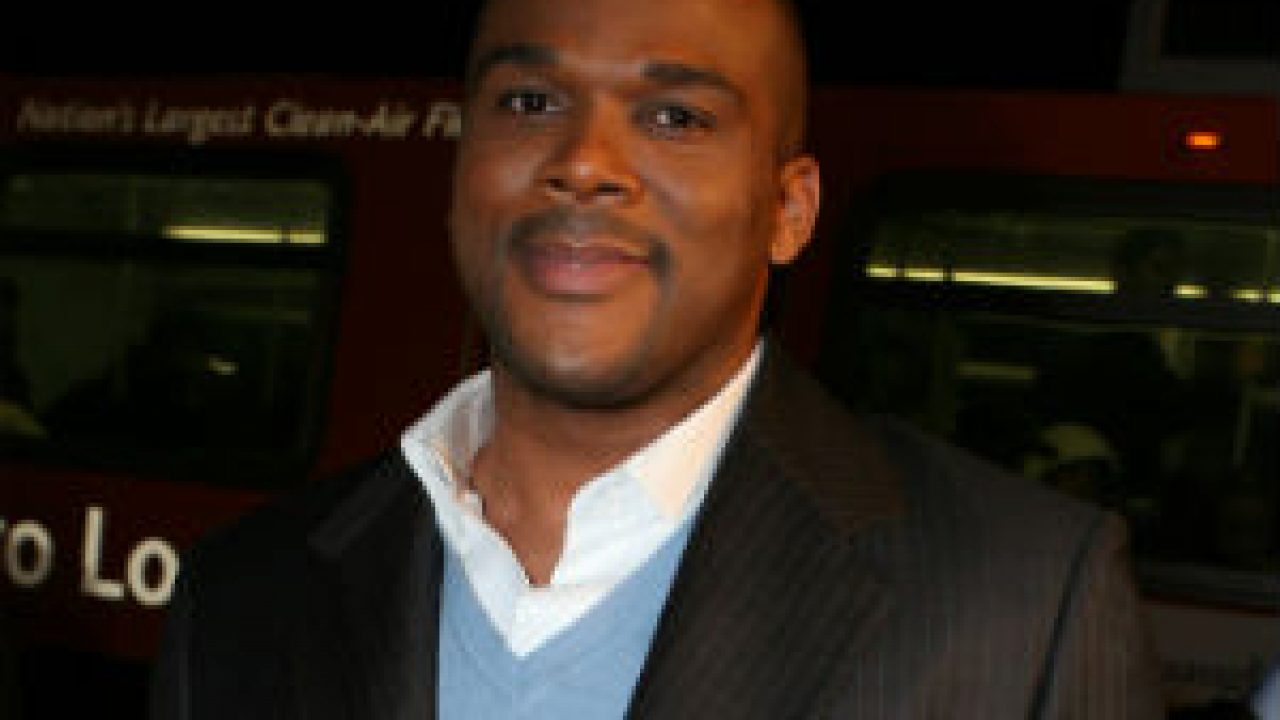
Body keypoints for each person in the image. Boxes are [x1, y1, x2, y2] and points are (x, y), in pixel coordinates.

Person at [150, 0, 1164, 717]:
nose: (584, 163)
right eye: (529, 102)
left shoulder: (1025, 602)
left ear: (790, 207)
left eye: (675, 117)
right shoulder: (243, 595)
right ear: (460, 166)